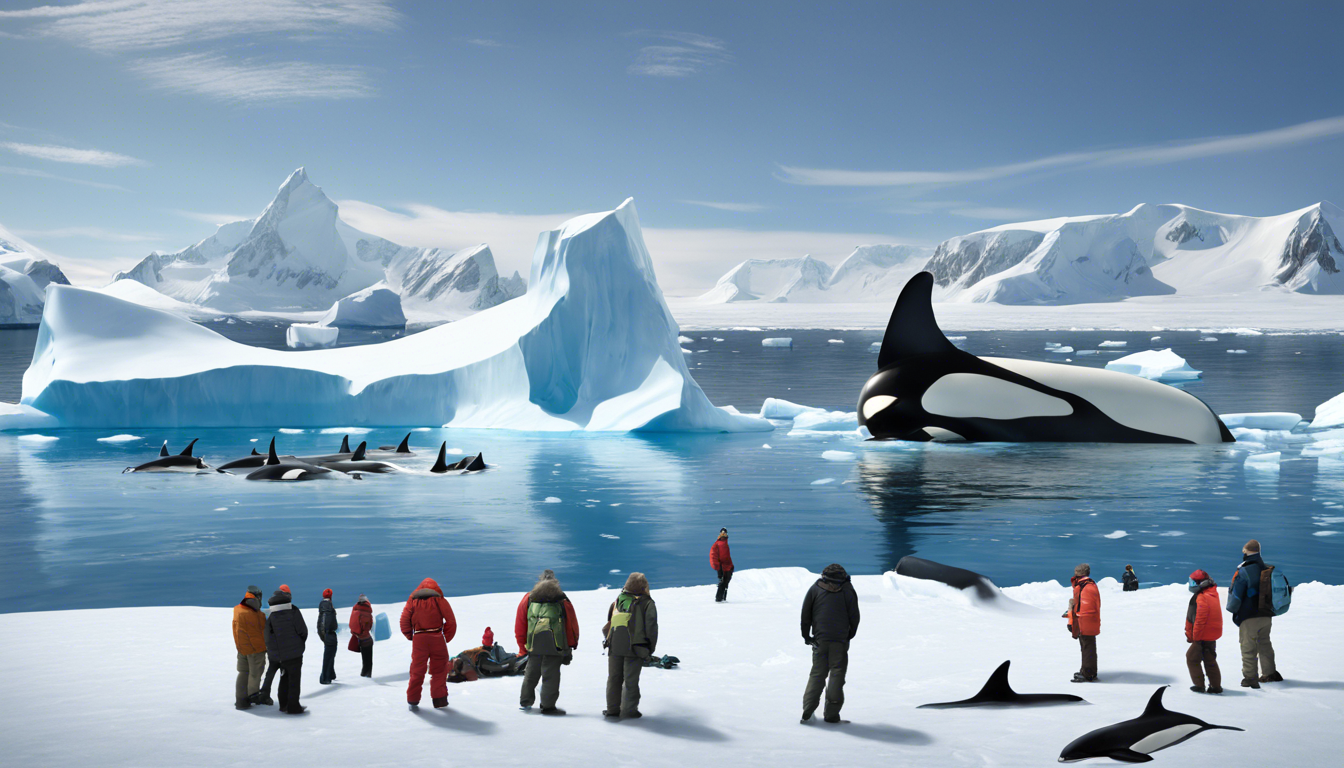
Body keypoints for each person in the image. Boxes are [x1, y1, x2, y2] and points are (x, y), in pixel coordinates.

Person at [800, 563, 860, 723]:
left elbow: (805, 615)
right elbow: (854, 616)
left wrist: (807, 636)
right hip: (839, 640)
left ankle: (807, 711)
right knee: (837, 674)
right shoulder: (847, 590)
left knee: (817, 674)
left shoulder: (815, 588)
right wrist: (849, 635)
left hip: (820, 639)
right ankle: (831, 714)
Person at [515, 569, 580, 715]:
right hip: (556, 646)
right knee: (551, 676)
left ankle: (525, 703)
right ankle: (548, 706)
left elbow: (520, 625)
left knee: (530, 674)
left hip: (533, 645)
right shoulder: (562, 600)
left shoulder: (528, 598)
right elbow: (571, 626)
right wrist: (570, 646)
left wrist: (523, 647)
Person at [603, 572, 658, 719]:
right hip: (635, 647)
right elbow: (651, 627)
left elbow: (609, 623)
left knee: (614, 678)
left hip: (614, 645)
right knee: (630, 680)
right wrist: (649, 650)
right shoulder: (647, 603)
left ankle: (612, 709)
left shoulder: (619, 600)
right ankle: (629, 711)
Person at [1228, 539, 1280, 688]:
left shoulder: (1244, 571)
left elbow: (1236, 596)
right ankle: (1270, 673)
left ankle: (1250, 677)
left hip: (1249, 616)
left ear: (1245, 551)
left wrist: (1234, 611)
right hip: (1266, 614)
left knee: (1248, 647)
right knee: (1264, 643)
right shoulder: (1266, 568)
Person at [400, 577, 457, 709]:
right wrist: (445, 638)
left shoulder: (412, 601)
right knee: (439, 670)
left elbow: (404, 621)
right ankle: (439, 700)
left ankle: (412, 700)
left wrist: (411, 636)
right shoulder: (441, 601)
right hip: (437, 637)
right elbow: (451, 621)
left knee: (417, 670)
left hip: (419, 638)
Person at [264, 584, 309, 714]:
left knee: (284, 678)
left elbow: (267, 635)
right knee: (294, 680)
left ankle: (283, 704)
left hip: (279, 655)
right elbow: (303, 631)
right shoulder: (293, 610)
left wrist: (275, 651)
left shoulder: (272, 615)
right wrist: (299, 644)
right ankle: (293, 707)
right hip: (294, 654)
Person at [1185, 569, 1223, 694]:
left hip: (1201, 635)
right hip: (1210, 634)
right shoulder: (1211, 594)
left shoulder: (1202, 597)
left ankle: (1199, 685)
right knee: (1210, 659)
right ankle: (1215, 687)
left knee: (1192, 658)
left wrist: (1195, 637)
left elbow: (1199, 619)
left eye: (1193, 583)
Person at [232, 585, 267, 710]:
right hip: (255, 649)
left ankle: (241, 700)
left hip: (242, 648)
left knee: (243, 672)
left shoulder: (238, 609)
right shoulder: (254, 614)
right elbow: (261, 629)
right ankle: (253, 698)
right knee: (255, 674)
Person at [1065, 563, 1100, 683]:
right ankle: (1086, 670)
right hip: (1085, 621)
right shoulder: (1084, 585)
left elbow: (1086, 608)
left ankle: (1088, 673)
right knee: (1086, 646)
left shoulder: (1086, 587)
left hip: (1085, 621)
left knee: (1087, 646)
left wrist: (1076, 622)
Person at [349, 595, 374, 678]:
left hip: (359, 638)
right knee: (368, 661)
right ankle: (366, 677)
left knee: (364, 660)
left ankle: (364, 675)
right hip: (366, 638)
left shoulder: (355, 611)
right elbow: (369, 626)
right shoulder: (366, 613)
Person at [317, 588, 338, 685]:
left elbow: (320, 623)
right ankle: (325, 677)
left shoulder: (322, 607)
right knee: (329, 655)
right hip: (329, 634)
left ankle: (331, 674)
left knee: (329, 653)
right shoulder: (329, 608)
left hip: (324, 634)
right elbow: (332, 624)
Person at [711, 528, 734, 602]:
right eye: (722, 533)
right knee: (723, 582)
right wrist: (718, 568)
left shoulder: (724, 543)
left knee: (726, 583)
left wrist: (731, 566)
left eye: (725, 533)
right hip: (722, 567)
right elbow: (713, 557)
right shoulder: (717, 545)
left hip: (728, 567)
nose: (723, 534)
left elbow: (726, 556)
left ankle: (723, 598)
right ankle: (719, 599)